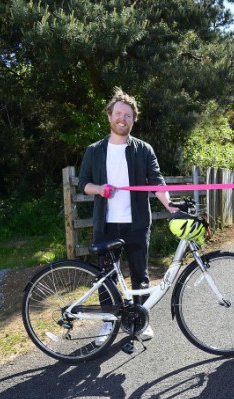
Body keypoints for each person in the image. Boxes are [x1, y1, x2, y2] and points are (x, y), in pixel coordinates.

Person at [79, 87, 178, 344]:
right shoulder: (94, 150)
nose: (123, 119)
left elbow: (156, 181)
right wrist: (100, 189)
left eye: (128, 116)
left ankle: (139, 321)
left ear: (134, 120)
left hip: (136, 224)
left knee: (139, 273)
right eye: (119, 114)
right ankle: (109, 322)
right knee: (106, 277)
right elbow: (84, 184)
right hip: (106, 225)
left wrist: (169, 205)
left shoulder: (144, 149)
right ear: (110, 116)